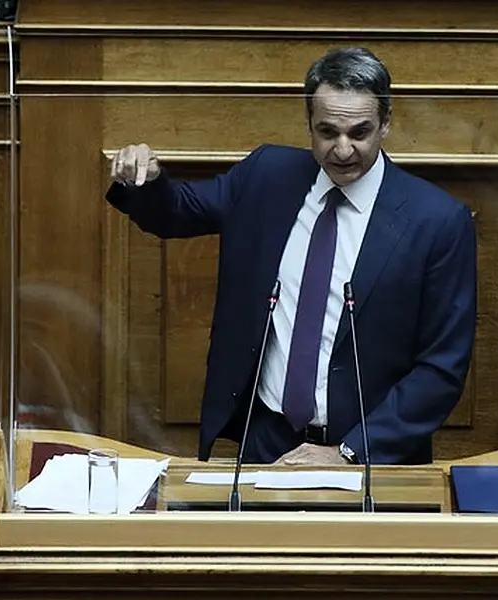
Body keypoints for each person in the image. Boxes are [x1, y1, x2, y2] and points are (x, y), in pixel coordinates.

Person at [106, 47, 476, 466]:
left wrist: (350, 451)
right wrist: (146, 181)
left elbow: (441, 369)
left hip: (371, 456)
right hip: (266, 439)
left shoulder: (438, 221)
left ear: (386, 124)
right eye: (327, 132)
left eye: (359, 133)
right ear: (308, 124)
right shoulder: (269, 175)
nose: (342, 150)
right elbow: (176, 212)